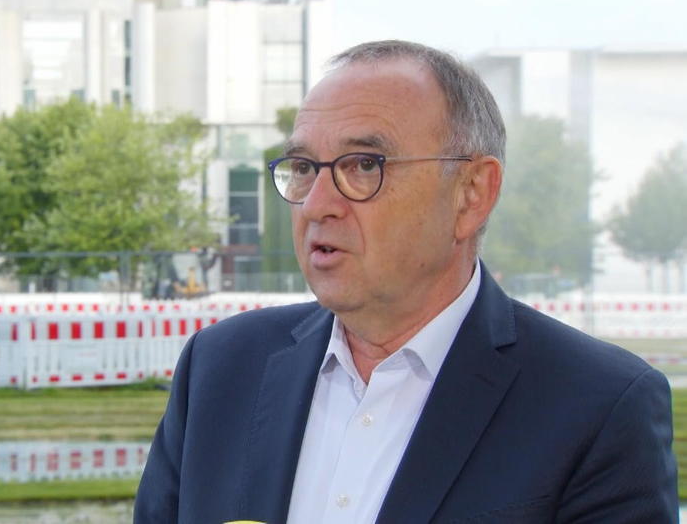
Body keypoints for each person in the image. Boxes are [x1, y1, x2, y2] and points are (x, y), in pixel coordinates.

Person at [133, 40, 678, 523]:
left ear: (471, 194)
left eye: (364, 166)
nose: (317, 205)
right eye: (303, 167)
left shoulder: (599, 406)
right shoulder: (221, 368)